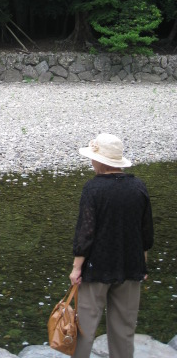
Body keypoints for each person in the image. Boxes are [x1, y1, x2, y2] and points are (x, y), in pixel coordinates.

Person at [70, 133, 154, 358]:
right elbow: (146, 231)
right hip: (130, 266)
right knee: (124, 330)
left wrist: (77, 268)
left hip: (97, 267)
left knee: (84, 328)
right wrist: (142, 264)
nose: (91, 161)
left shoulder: (93, 188)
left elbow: (85, 232)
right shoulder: (138, 187)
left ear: (100, 161)